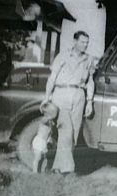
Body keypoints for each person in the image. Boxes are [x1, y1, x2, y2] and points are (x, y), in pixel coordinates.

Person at [42, 30, 95, 175]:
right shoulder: (63, 56)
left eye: (87, 42)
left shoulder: (89, 59)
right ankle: (67, 168)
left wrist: (89, 101)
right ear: (75, 41)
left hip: (79, 95)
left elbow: (90, 81)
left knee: (74, 133)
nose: (85, 45)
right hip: (61, 94)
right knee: (66, 131)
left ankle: (58, 167)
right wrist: (47, 97)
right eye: (83, 42)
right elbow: (52, 78)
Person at [32, 101, 58, 173]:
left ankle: (46, 169)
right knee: (37, 158)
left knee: (43, 157)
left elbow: (51, 130)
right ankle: (34, 172)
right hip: (39, 141)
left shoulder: (50, 121)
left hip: (44, 142)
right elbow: (45, 120)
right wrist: (49, 116)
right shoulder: (44, 119)